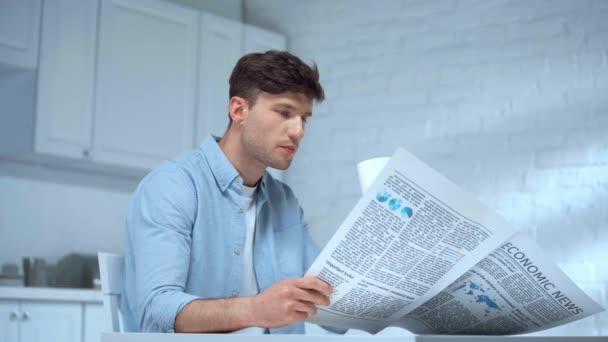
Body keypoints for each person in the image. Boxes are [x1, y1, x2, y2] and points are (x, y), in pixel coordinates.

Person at [121, 51, 339, 334]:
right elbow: (156, 309)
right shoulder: (172, 186)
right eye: (284, 113)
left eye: (304, 119)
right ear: (239, 111)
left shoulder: (284, 201)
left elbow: (326, 300)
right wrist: (257, 309)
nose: (298, 131)